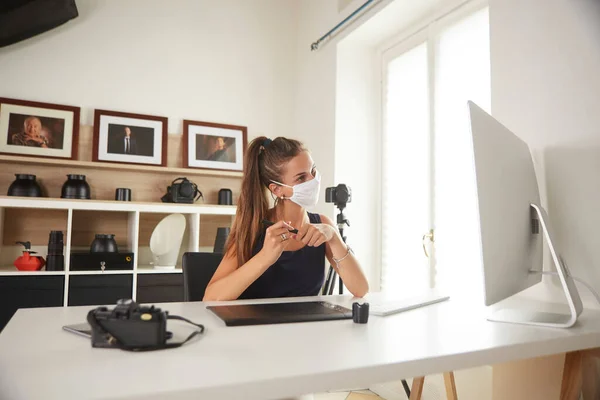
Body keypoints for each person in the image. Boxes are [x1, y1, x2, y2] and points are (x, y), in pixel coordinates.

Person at [204, 136, 369, 302]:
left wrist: (334, 238)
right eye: (301, 178)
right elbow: (210, 298)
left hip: (306, 326)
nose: (313, 181)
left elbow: (361, 289)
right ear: (277, 190)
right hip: (256, 326)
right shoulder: (253, 227)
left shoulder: (323, 225)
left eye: (313, 171)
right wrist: (264, 258)